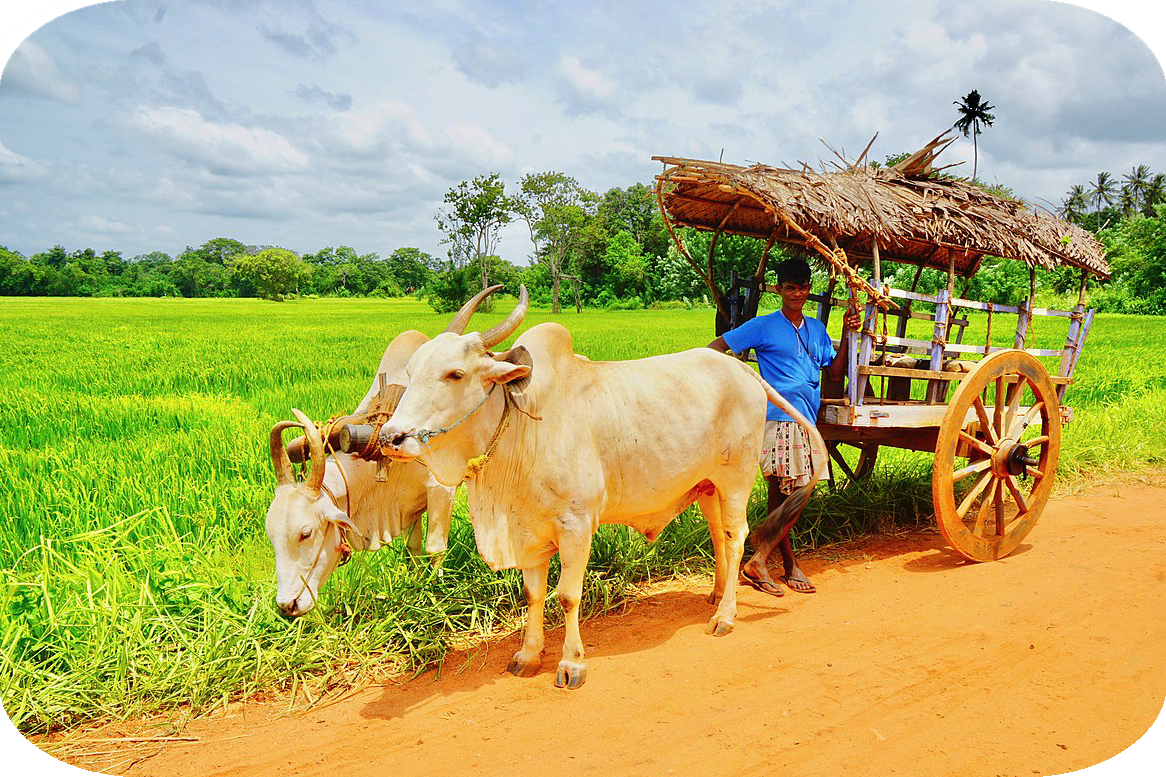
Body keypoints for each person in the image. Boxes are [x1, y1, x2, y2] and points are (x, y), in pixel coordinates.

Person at [707, 258, 860, 596]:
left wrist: (848, 331)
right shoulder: (763, 326)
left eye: (803, 287)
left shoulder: (817, 330)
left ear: (808, 289)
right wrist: (738, 382)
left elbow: (834, 373)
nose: (797, 293)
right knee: (799, 491)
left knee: (784, 495)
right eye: (790, 287)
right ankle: (763, 559)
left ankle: (779, 563)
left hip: (807, 417)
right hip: (778, 418)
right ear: (779, 290)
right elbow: (716, 348)